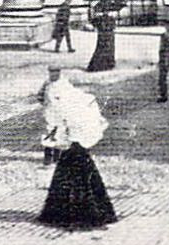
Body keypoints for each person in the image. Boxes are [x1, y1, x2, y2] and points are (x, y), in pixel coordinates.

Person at [37, 71, 116, 230]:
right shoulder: (53, 88)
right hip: (72, 135)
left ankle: (78, 213)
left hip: (73, 134)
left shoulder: (63, 90)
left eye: (55, 70)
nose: (53, 73)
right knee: (79, 171)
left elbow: (55, 112)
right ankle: (92, 210)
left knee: (74, 173)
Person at [85, 2, 117, 72]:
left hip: (102, 36)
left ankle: (97, 66)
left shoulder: (99, 19)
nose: (106, 12)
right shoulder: (111, 19)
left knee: (100, 50)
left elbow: (93, 23)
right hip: (109, 36)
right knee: (108, 50)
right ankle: (109, 65)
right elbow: (114, 27)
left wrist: (90, 13)